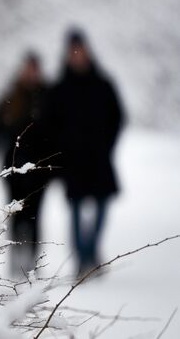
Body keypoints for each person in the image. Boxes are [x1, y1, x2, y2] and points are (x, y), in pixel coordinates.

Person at [48, 28, 124, 275]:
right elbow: (50, 124)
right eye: (73, 51)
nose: (77, 55)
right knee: (75, 210)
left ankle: (92, 252)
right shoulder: (59, 88)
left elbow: (118, 117)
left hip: (100, 158)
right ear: (67, 54)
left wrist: (107, 144)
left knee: (102, 205)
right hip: (72, 161)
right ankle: (82, 260)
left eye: (80, 50)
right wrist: (62, 148)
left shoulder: (103, 84)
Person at [0, 51, 54, 274]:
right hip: (12, 168)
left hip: (40, 168)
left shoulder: (48, 97)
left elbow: (58, 131)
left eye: (34, 69)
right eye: (27, 68)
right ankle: (14, 260)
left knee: (35, 216)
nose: (30, 73)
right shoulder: (10, 96)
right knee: (15, 213)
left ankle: (32, 263)